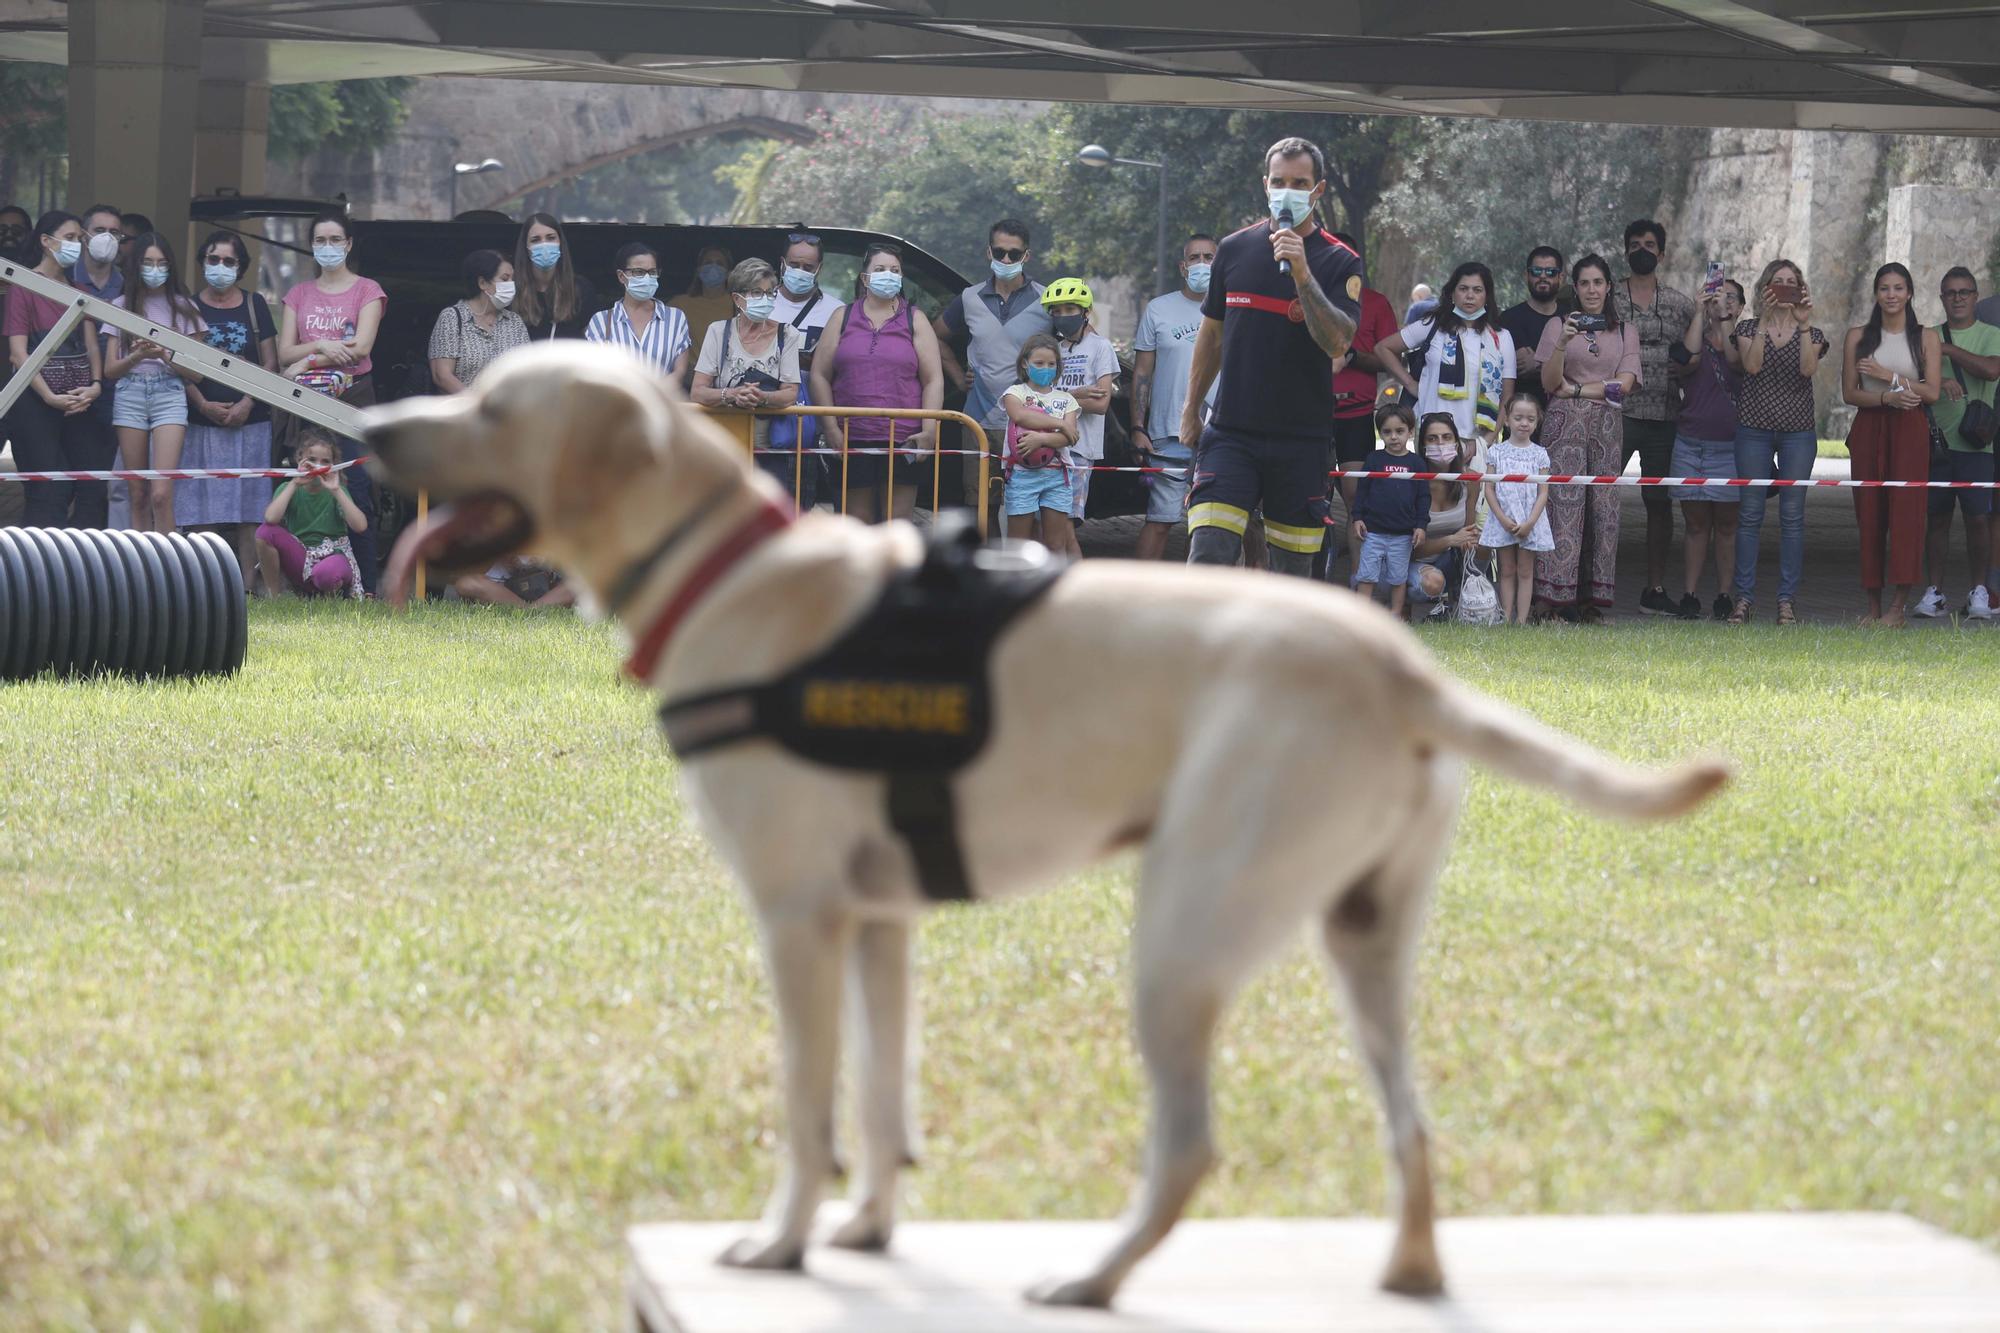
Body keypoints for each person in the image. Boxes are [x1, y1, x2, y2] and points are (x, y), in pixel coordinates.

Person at [1180, 136, 1362, 577]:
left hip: (1302, 442)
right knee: (1208, 554)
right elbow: (1212, 335)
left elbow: (1338, 342)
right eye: (1279, 181)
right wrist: (1190, 409)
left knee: (1291, 576)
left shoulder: (1342, 261)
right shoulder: (1235, 249)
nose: (1288, 191)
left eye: (1299, 183)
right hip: (1230, 434)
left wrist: (1302, 273)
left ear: (1317, 191)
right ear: (1265, 185)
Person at [278, 211, 386, 592]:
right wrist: (320, 346)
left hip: (352, 398)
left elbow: (362, 348)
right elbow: (283, 352)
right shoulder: (298, 294)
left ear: (349, 244)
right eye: (320, 241)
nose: (327, 248)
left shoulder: (368, 290)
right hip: (304, 403)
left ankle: (367, 588)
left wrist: (309, 358)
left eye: (334, 240)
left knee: (355, 489)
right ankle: (306, 585)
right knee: (304, 487)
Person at [1533, 253, 1640, 620]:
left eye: (1598, 282)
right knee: (1561, 505)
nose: (1592, 289)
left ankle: (1590, 600)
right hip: (1563, 427)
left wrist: (1577, 390)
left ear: (1608, 286)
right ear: (1574, 289)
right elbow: (1549, 384)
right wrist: (1563, 343)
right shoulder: (1556, 326)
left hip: (1607, 428)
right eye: (1584, 283)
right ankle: (1551, 599)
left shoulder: (1625, 330)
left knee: (1603, 511)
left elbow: (1622, 387)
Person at [808, 241, 943, 522]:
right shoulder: (842, 316)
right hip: (851, 436)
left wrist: (929, 431)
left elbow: (933, 379)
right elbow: (820, 375)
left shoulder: (914, 318)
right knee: (858, 524)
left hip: (905, 438)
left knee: (897, 525)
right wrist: (830, 428)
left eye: (895, 270)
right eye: (880, 269)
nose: (888, 275)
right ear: (865, 277)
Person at [1727, 258, 1826, 627]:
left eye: (1791, 282)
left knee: (1793, 517)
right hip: (1753, 428)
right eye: (1777, 282)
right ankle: (1744, 599)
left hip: (1797, 431)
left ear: (1801, 289)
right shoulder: (1749, 327)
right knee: (1750, 515)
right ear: (1765, 288)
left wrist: (1801, 324)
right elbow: (1751, 367)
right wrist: (1767, 320)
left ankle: (1786, 601)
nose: (1784, 288)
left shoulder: (1813, 333)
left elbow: (1807, 370)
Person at [179, 230, 280, 589]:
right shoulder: (187, 307)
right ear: (203, 262)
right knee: (200, 503)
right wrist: (202, 403)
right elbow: (178, 363)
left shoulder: (255, 306)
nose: (220, 267)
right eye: (213, 259)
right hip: (200, 421)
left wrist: (247, 402)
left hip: (250, 422)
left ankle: (246, 587)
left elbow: (271, 364)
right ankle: (208, 585)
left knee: (249, 508)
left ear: (240, 268)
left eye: (228, 261)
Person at [1842, 262, 1940, 627]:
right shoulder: (1858, 336)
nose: (1892, 295)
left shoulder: (1925, 337)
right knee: (1869, 514)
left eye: (1899, 288)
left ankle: (1897, 608)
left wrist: (1891, 378)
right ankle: (1871, 607)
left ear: (1910, 293)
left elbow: (1931, 392)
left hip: (1910, 430)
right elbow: (1850, 393)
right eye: (1885, 288)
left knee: (1907, 514)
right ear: (1876, 294)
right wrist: (1886, 398)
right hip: (1870, 426)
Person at [934, 219, 1052, 512]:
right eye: (1000, 253)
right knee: (980, 506)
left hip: (1031, 421)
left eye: (1014, 253)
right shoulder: (969, 298)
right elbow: (934, 336)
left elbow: (1075, 342)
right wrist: (959, 378)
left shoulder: (1046, 298)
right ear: (989, 253)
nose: (1007, 259)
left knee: (1027, 508)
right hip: (979, 420)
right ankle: (985, 560)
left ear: (1027, 256)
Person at [3, 211, 111, 528]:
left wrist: (95, 385)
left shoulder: (81, 292)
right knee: (48, 490)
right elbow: (18, 354)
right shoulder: (22, 288)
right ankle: (35, 570)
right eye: (70, 238)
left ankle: (81, 569)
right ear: (46, 241)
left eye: (80, 239)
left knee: (91, 487)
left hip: (82, 401)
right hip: (35, 405)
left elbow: (92, 346)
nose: (77, 245)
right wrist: (50, 397)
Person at [1614, 219, 1698, 616]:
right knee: (1597, 494)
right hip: (1617, 414)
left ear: (1661, 253)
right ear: (1625, 251)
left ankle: (1655, 588)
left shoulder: (1682, 305)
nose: (1642, 250)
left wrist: (1689, 367)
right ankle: (1584, 584)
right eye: (1634, 244)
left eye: (1649, 244)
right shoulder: (1608, 297)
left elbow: (1698, 350)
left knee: (1659, 504)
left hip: (1665, 414)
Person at [102, 233, 207, 533]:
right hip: (130, 393)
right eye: (148, 262)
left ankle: (169, 568)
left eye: (161, 263)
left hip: (170, 394)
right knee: (137, 493)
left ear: (171, 266)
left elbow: (197, 374)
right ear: (136, 266)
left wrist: (164, 353)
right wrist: (136, 355)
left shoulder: (185, 308)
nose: (155, 269)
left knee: (161, 494)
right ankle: (138, 569)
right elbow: (111, 369)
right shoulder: (120, 305)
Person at [1325, 231, 1410, 581]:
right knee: (1305, 499)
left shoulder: (1376, 303)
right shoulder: (1306, 304)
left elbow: (1388, 359)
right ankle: (1309, 582)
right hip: (1310, 416)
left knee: (1353, 500)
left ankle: (1359, 582)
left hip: (1357, 415)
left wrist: (1351, 356)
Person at [1915, 267, 2000, 619]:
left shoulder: (1990, 333)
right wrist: (1934, 376)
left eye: (1965, 292)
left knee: (1978, 519)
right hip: (1935, 442)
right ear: (1941, 298)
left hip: (1977, 444)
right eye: (1951, 292)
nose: (1958, 298)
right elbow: (1912, 376)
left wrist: (1945, 349)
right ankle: (1934, 592)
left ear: (1976, 297)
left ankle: (1978, 590)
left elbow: (1991, 370)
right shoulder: (1926, 334)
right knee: (1936, 520)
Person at [1131, 235, 1216, 561]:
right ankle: (1138, 597)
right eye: (1194, 258)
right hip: (1169, 434)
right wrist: (1138, 428)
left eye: (1209, 257)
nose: (1202, 264)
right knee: (1160, 521)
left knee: (1232, 523)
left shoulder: (1235, 308)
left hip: (1224, 434)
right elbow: (1141, 373)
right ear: (1183, 267)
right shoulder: (1159, 309)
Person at [1668, 278, 1746, 621]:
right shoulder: (1693, 336)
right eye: (1717, 295)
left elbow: (1736, 363)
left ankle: (1725, 595)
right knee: (1695, 523)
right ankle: (1690, 594)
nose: (1722, 301)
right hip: (1690, 442)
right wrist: (1699, 312)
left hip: (1730, 445)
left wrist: (1726, 322)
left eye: (1731, 298)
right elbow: (1686, 359)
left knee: (1728, 525)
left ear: (1742, 307)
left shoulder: (1746, 341)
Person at [691, 258, 802, 496]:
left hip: (770, 449)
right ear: (736, 298)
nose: (765, 299)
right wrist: (731, 394)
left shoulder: (787, 334)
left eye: (770, 293)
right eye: (756, 292)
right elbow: (698, 391)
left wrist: (760, 397)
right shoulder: (718, 331)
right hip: (724, 449)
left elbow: (790, 393)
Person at [1374, 261, 1516, 447]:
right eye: (1463, 288)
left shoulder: (1501, 338)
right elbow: (1383, 348)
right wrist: (1409, 384)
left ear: (1487, 296)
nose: (1470, 295)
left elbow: (1507, 396)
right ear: (1452, 294)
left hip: (1477, 440)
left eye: (1477, 290)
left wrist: (1486, 441)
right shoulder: (1432, 326)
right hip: (1432, 437)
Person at [1045, 277, 1118, 532]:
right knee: (1050, 527)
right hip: (1048, 446)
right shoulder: (1054, 349)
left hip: (1080, 449)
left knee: (1064, 528)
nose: (1063, 316)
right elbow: (1041, 399)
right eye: (1057, 311)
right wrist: (1077, 395)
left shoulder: (1100, 347)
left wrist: (1059, 398)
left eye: (1070, 309)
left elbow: (1101, 404)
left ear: (1085, 312)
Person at [255, 429, 365, 599]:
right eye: (311, 460)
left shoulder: (338, 492)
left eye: (325, 462)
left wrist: (336, 490)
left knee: (326, 573)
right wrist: (294, 483)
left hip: (333, 558)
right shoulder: (288, 489)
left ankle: (329, 598)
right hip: (302, 559)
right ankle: (274, 597)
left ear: (334, 465)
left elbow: (360, 526)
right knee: (264, 532)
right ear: (300, 460)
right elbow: (270, 519)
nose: (317, 466)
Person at [1001, 333, 1082, 556]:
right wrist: (1059, 423)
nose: (1045, 368)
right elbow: (1020, 416)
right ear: (1025, 363)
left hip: (1057, 477)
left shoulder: (1067, 400)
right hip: (1021, 475)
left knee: (1056, 545)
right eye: (1039, 363)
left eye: (1051, 364)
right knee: (1018, 545)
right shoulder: (1014, 393)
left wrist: (1042, 439)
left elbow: (1070, 437)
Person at [1406, 406, 1487, 620]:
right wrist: (1451, 539)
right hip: (1408, 562)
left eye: (1446, 437)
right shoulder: (1411, 483)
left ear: (1456, 442)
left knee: (1485, 545)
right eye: (1432, 439)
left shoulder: (1470, 480)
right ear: (1422, 446)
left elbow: (1467, 533)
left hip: (1448, 558)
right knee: (1433, 582)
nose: (1440, 444)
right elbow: (1407, 549)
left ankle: (1467, 600)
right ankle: (1414, 604)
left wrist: (1472, 539)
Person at [1480, 395, 1554, 624]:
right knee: (1507, 569)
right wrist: (1502, 519)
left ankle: (1521, 621)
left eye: (1530, 419)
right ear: (1508, 419)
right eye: (1518, 417)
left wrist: (1531, 522)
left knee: (1525, 570)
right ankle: (1506, 617)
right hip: (1503, 518)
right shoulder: (1496, 452)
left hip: (1530, 519)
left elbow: (1543, 492)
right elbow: (1489, 489)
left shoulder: (1540, 453)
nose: (1524, 423)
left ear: (1537, 421)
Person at [1351, 411, 1430, 615]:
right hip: (1373, 532)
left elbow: (1423, 497)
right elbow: (1362, 491)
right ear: (1380, 434)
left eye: (1399, 431)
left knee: (1398, 577)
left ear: (1411, 432)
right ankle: (1360, 615)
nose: (1393, 437)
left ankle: (1396, 615)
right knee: (1366, 575)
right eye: (1387, 432)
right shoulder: (1374, 459)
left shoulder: (1417, 464)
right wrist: (1357, 517)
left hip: (1403, 535)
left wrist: (1421, 525)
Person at [583, 242, 692, 379]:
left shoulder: (676, 318)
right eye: (639, 272)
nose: (647, 278)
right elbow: (595, 373)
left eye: (652, 272)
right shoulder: (601, 321)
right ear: (621, 276)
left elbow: (679, 372)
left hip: (659, 398)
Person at [429, 249, 531, 393]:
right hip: (464, 412)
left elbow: (527, 373)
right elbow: (442, 376)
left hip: (508, 412)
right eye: (505, 278)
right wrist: (477, 404)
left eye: (512, 279)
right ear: (483, 283)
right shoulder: (452, 317)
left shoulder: (515, 322)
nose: (511, 284)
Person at [1496, 246, 1568, 410]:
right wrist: (1556, 360)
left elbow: (1577, 364)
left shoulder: (1570, 319)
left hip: (1563, 414)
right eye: (1536, 271)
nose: (1543, 276)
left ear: (1561, 277)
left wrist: (1537, 362)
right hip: (1519, 418)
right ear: (1526, 276)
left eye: (1550, 272)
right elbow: (1517, 368)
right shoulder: (1508, 319)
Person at [513, 214, 597, 342]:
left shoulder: (581, 289)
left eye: (550, 238)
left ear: (560, 243)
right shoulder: (513, 291)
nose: (544, 244)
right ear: (526, 247)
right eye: (536, 240)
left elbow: (591, 339)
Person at [671, 243, 737, 356]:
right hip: (690, 372)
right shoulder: (679, 304)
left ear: (728, 273)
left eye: (719, 263)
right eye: (708, 263)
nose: (713, 267)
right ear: (698, 270)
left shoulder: (737, 304)